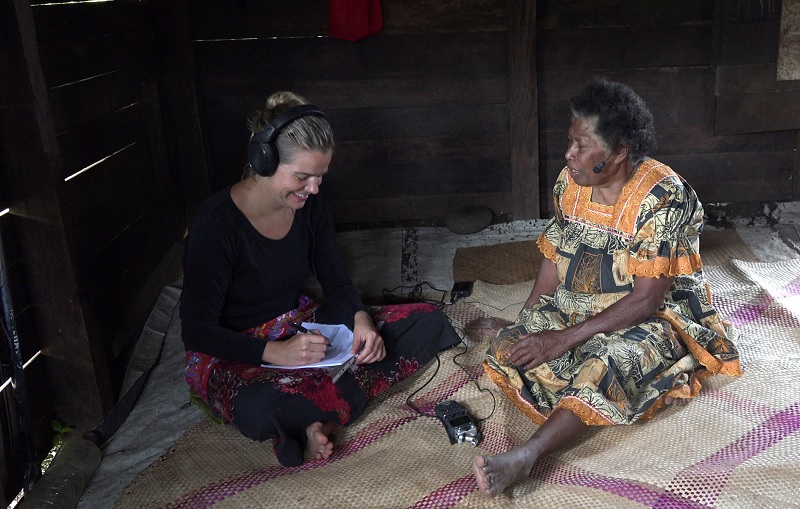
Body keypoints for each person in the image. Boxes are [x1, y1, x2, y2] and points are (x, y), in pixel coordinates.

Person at [472, 78, 742, 496]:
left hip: (651, 313)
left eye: (582, 145)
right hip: (579, 303)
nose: (569, 154)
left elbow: (647, 298)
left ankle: (527, 455)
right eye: (570, 141)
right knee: (510, 347)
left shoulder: (663, 198)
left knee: (606, 362)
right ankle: (604, 388)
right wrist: (528, 319)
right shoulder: (572, 182)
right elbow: (556, 253)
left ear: (619, 152)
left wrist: (563, 339)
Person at [180, 91, 460, 467]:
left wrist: (361, 321)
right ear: (263, 161)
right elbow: (197, 332)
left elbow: (336, 283)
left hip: (299, 327)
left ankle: (312, 417)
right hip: (235, 351)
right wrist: (274, 353)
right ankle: (315, 413)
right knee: (259, 407)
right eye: (302, 177)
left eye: (320, 177)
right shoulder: (215, 226)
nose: (313, 189)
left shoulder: (310, 207)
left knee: (426, 320)